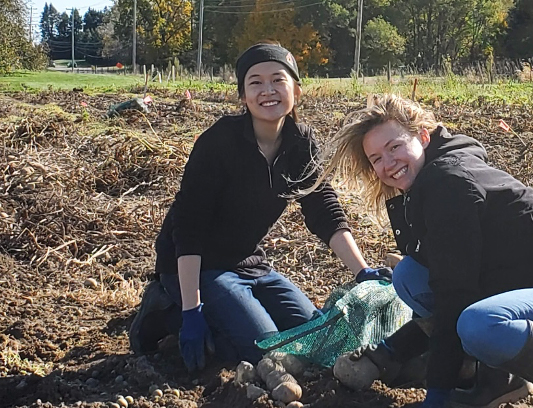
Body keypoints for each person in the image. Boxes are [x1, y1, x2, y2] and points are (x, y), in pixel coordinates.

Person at [311, 94, 533, 408]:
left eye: (394, 146)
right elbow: (453, 282)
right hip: (529, 305)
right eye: (376, 158)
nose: (388, 163)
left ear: (423, 136)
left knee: (478, 324)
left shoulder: (449, 184)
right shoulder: (426, 183)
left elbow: (455, 293)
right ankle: (497, 380)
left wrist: (437, 389)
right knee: (410, 277)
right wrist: (388, 353)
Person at [129, 43, 391, 372]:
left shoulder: (302, 142)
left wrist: (362, 273)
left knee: (314, 334)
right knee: (265, 350)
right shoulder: (219, 142)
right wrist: (190, 310)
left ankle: (216, 315)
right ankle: (165, 313)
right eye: (255, 82)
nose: (268, 90)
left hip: (249, 263)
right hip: (198, 265)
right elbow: (189, 226)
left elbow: (323, 207)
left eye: (278, 80)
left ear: (296, 89)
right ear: (243, 96)